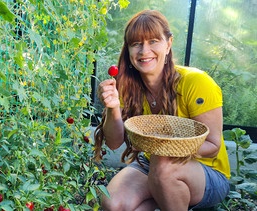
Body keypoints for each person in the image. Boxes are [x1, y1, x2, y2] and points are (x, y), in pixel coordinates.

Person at [94, 10, 230, 210]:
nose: (144, 51)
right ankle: (165, 196)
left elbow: (212, 147)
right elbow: (114, 143)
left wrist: (164, 148)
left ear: (169, 44)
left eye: (153, 41)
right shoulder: (127, 86)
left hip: (207, 174)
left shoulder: (195, 82)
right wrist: (113, 107)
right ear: (128, 49)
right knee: (113, 204)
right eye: (136, 43)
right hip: (152, 165)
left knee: (164, 168)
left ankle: (166, 190)